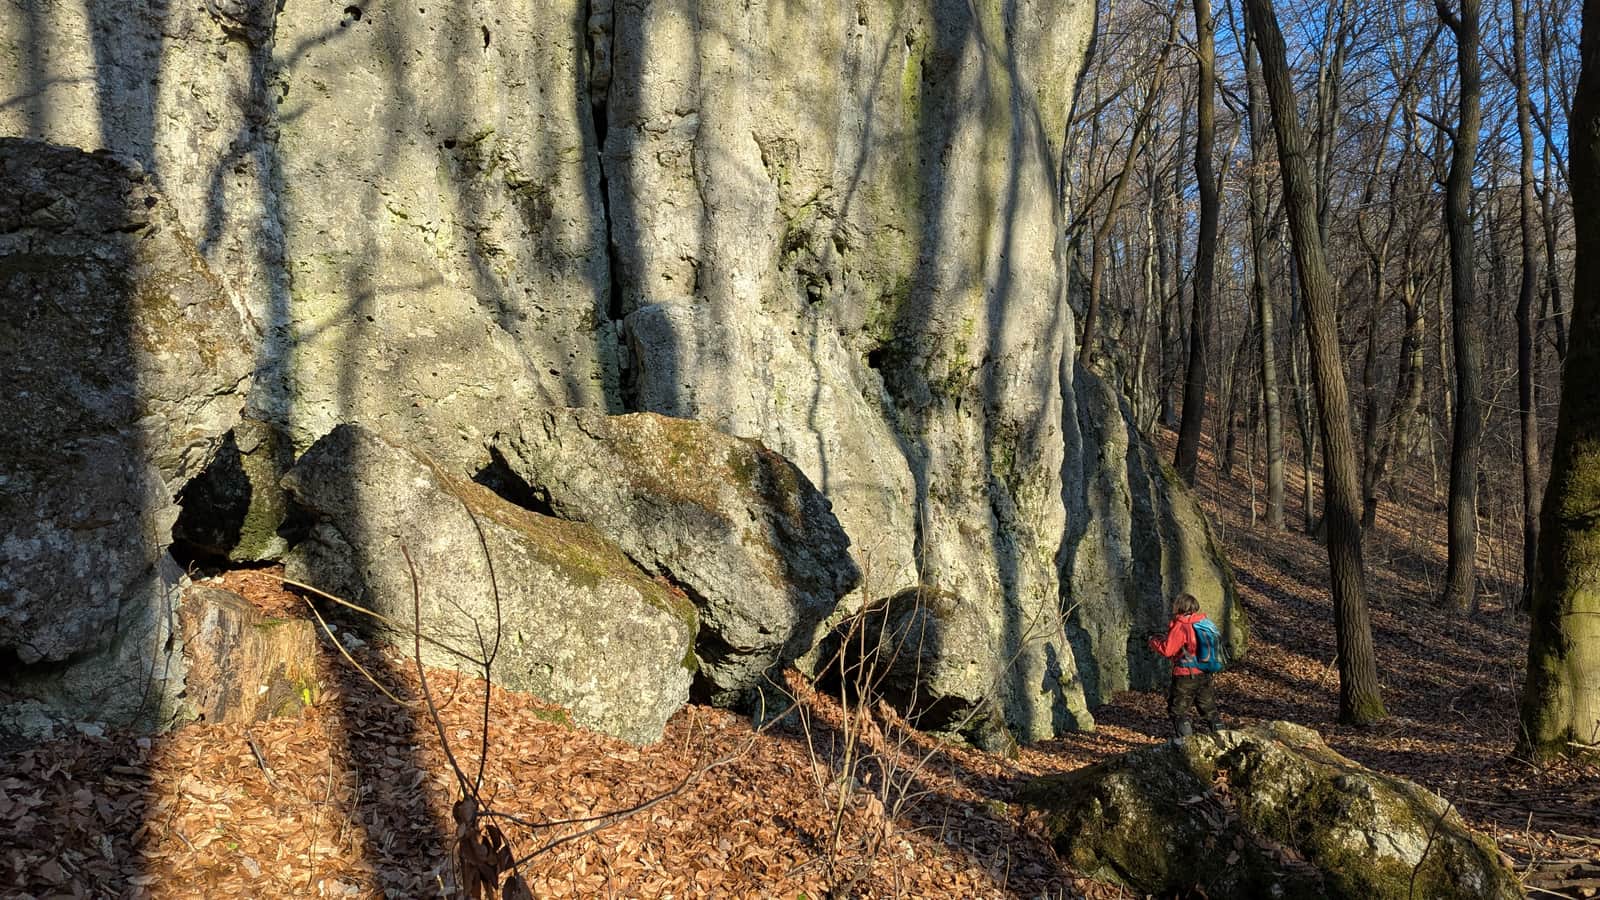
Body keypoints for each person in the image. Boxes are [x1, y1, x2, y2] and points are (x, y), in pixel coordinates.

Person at [1147, 593, 1224, 739]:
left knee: (1177, 710)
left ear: (1180, 606)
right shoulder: (1203, 622)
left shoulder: (1181, 625)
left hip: (1185, 674)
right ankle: (1223, 739)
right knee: (1209, 709)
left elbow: (1168, 650)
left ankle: (1186, 745)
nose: (1173, 606)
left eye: (1175, 603)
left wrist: (1153, 641)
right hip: (1205, 672)